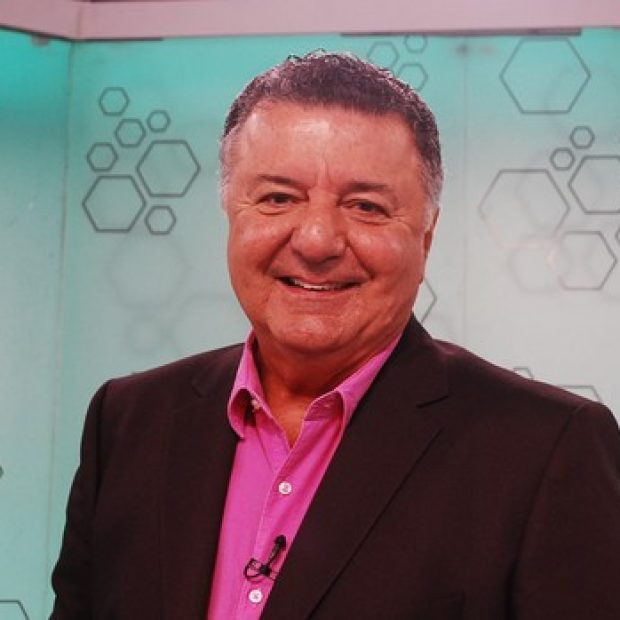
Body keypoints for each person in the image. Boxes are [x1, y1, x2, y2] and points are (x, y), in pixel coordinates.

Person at [51, 52, 620, 619]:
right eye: (278, 198)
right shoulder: (128, 421)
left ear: (426, 237)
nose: (317, 240)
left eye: (366, 206)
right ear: (231, 213)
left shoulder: (546, 451)